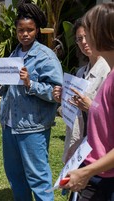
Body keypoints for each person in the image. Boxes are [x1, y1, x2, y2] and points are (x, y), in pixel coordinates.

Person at [0, 1, 63, 200]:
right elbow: (5, 90)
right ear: (16, 31)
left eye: (29, 30)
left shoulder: (45, 56)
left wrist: (30, 83)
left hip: (32, 127)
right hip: (10, 125)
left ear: (37, 30)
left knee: (37, 177)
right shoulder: (13, 54)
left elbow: (56, 93)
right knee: (15, 175)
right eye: (21, 30)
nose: (25, 34)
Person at [62, 3, 114, 199]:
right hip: (94, 172)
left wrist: (85, 172)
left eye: (88, 31)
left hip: (105, 180)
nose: (83, 39)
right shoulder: (110, 75)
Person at [53, 18, 110, 163]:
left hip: (100, 147)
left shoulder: (109, 71)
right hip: (79, 142)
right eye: (79, 39)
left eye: (87, 36)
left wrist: (91, 107)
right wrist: (63, 99)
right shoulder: (80, 73)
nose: (84, 42)